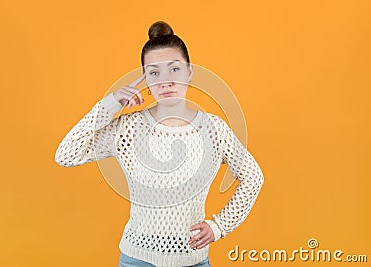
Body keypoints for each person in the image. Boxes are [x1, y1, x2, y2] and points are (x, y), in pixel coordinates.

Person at [55, 21, 264, 267]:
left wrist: (219, 226)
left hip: (194, 260)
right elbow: (66, 154)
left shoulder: (214, 129)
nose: (165, 81)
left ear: (189, 72)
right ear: (145, 78)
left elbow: (253, 176)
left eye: (174, 69)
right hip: (137, 260)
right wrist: (110, 104)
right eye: (154, 72)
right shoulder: (128, 128)